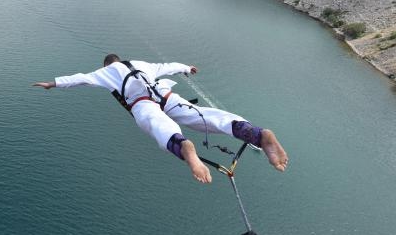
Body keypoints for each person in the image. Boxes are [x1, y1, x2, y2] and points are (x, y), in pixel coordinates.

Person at [32, 54, 288, 184]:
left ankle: (184, 146)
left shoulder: (106, 72)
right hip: (165, 94)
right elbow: (169, 66)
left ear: (108, 63)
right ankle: (256, 134)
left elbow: (81, 78)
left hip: (142, 102)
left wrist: (52, 84)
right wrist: (187, 68)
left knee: (158, 125)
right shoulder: (142, 63)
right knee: (205, 116)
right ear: (120, 58)